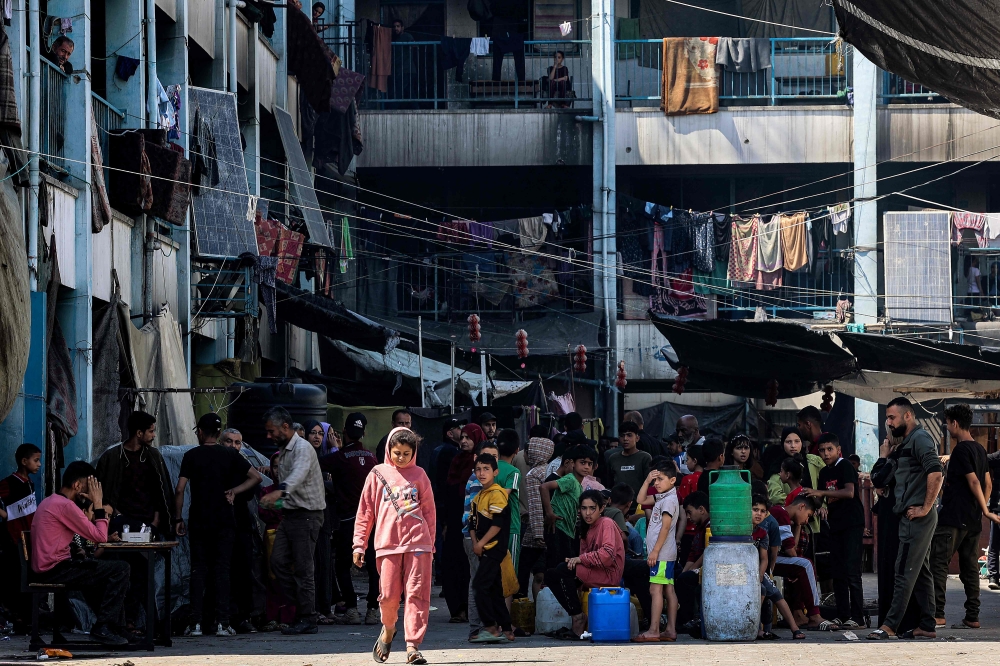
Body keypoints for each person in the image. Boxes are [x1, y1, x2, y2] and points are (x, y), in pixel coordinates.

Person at [354, 427, 435, 664]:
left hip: (419, 544)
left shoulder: (420, 475)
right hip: (387, 545)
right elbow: (365, 512)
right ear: (389, 450)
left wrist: (431, 546)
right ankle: (388, 628)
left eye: (406, 453)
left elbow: (429, 513)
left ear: (414, 453)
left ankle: (413, 646)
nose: (401, 458)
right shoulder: (377, 474)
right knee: (388, 596)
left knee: (417, 595)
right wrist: (359, 545)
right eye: (397, 452)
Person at [176, 413, 262, 637]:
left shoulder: (191, 455)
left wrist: (177, 518)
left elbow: (180, 489)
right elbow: (256, 477)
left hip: (199, 521)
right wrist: (234, 491)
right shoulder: (230, 455)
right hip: (225, 521)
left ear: (201, 432)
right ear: (218, 433)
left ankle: (195, 624)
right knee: (223, 570)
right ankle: (223, 623)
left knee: (198, 570)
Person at [867, 397, 943, 640]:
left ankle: (889, 626)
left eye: (892, 417)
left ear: (908, 416)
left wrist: (924, 508)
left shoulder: (919, 438)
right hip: (913, 515)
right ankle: (927, 625)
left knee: (903, 570)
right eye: (887, 418)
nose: (888, 422)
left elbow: (936, 471)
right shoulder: (908, 442)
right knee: (921, 572)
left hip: (916, 517)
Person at [31, 462, 130, 645]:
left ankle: (116, 627)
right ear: (77, 485)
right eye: (89, 486)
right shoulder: (65, 506)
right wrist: (98, 503)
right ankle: (104, 627)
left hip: (50, 566)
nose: (91, 492)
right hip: (55, 569)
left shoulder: (50, 501)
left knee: (101, 569)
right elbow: (100, 537)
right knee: (120, 569)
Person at [259, 406, 327, 635]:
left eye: (272, 431)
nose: (269, 436)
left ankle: (307, 617)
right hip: (291, 515)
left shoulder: (302, 448)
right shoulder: (284, 450)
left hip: (307, 516)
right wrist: (275, 502)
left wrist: (280, 492)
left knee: (303, 569)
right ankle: (300, 609)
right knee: (277, 562)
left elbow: (298, 475)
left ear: (285, 427)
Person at [931, 403, 999, 630]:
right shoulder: (979, 449)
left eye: (948, 423)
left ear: (955, 423)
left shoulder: (960, 450)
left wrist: (986, 510)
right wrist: (980, 509)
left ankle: (938, 615)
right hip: (972, 519)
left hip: (953, 518)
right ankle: (972, 616)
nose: (947, 427)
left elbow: (975, 482)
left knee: (938, 563)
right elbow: (988, 483)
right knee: (970, 569)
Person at [320, 412, 379, 625]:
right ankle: (373, 609)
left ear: (344, 432)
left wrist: (334, 447)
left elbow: (316, 465)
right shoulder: (372, 458)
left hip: (348, 521)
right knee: (374, 565)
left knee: (343, 564)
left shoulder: (339, 457)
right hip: (372, 520)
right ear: (363, 433)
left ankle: (352, 609)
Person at [802, 433, 866, 629]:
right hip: (835, 525)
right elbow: (821, 500)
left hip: (852, 524)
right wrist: (811, 500)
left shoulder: (845, 466)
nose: (825, 453)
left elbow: (849, 492)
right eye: (822, 450)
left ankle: (858, 617)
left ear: (838, 450)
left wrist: (821, 492)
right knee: (837, 571)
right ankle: (843, 614)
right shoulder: (823, 472)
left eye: (829, 449)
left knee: (852, 571)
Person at [546, 490, 625, 639]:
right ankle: (577, 615)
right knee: (551, 575)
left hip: (607, 574)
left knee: (564, 569)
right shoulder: (586, 528)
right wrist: (577, 560)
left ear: (601, 509)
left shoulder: (606, 523)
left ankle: (578, 618)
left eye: (592, 508)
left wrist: (580, 559)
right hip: (593, 571)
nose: (587, 513)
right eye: (584, 508)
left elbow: (607, 555)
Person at [870, 430, 923, 632]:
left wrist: (883, 456)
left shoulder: (896, 457)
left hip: (896, 519)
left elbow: (877, 478)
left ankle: (895, 622)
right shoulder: (903, 456)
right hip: (897, 516)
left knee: (895, 568)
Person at [95, 411, 174, 536]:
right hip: (120, 525)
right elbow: (100, 493)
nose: (154, 435)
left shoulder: (153, 456)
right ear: (139, 433)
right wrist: (117, 516)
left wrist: (155, 522)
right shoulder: (111, 457)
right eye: (151, 431)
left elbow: (162, 492)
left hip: (148, 524)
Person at [220, 428, 268, 633]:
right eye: (229, 442)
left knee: (243, 571)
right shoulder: (216, 462)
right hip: (220, 525)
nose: (233, 446)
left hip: (241, 524)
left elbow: (256, 483)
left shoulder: (243, 465)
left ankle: (243, 616)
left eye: (237, 443)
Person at [468, 453, 512, 643]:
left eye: (486, 469)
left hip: (494, 548)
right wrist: (475, 542)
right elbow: (471, 523)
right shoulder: (478, 497)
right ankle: (508, 629)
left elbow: (498, 524)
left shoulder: (497, 494)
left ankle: (490, 628)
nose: (481, 473)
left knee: (479, 586)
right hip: (484, 548)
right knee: (493, 589)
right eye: (478, 469)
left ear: (495, 472)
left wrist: (480, 543)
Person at [633, 460, 680, 642]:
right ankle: (670, 630)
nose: (656, 483)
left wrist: (655, 552)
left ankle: (654, 629)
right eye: (655, 480)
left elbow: (665, 528)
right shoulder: (663, 497)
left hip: (662, 554)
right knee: (668, 590)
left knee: (655, 590)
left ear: (672, 480)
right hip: (664, 554)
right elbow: (640, 500)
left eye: (660, 479)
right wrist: (646, 481)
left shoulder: (668, 501)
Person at [441, 424, 481, 622]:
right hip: (455, 522)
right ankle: (456, 609)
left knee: (468, 566)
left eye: (469, 438)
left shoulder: (480, 465)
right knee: (452, 564)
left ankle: (470, 608)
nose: (464, 441)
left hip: (474, 524)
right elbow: (447, 494)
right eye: (462, 437)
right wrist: (446, 523)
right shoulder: (456, 461)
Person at [751, 494, 805, 640]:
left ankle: (795, 629)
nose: (759, 514)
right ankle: (753, 628)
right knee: (761, 592)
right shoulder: (741, 531)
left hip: (757, 572)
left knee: (776, 595)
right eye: (755, 510)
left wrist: (761, 575)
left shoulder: (762, 533)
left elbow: (765, 558)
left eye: (762, 511)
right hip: (743, 572)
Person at [463, 440, 500, 642]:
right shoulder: (478, 482)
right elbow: (476, 518)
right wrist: (479, 542)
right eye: (484, 459)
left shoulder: (487, 483)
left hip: (482, 540)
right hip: (476, 539)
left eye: (493, 458)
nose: (487, 465)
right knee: (478, 583)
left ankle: (486, 627)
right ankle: (477, 629)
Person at [770, 495, 825, 630]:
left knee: (801, 564)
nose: (806, 521)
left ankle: (802, 612)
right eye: (808, 515)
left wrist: (798, 525)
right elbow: (791, 552)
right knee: (805, 565)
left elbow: (792, 550)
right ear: (801, 507)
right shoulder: (781, 514)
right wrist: (798, 526)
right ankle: (814, 614)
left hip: (771, 557)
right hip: (766, 559)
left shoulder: (785, 516)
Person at [0, 443, 41, 623]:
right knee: (14, 576)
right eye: (36, 460)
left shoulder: (30, 483)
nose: (39, 464)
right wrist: (6, 516)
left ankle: (26, 616)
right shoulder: (9, 482)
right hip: (13, 537)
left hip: (28, 537)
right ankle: (16, 615)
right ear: (24, 461)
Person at [540, 445, 594, 568]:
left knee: (564, 565)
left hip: (567, 530)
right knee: (559, 567)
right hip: (558, 528)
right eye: (582, 462)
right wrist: (549, 513)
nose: (586, 466)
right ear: (573, 463)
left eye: (589, 464)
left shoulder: (578, 485)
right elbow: (544, 487)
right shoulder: (570, 479)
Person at [519, 425, 554, 594]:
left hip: (537, 530)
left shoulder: (533, 474)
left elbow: (535, 505)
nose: (525, 455)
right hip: (552, 524)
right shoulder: (551, 469)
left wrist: (538, 534)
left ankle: (521, 600)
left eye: (528, 451)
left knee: (524, 566)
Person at [763, 427, 823, 511]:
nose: (793, 446)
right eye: (788, 442)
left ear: (802, 442)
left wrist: (822, 505)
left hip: (816, 515)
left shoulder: (814, 461)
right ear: (782, 443)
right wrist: (800, 504)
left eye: (797, 441)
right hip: (790, 515)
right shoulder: (777, 466)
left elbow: (825, 484)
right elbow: (775, 496)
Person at [675, 490, 710, 630]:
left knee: (685, 580)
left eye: (690, 512)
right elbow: (692, 553)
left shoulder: (710, 527)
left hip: (706, 569)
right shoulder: (699, 528)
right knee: (677, 575)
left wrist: (692, 569)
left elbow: (706, 553)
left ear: (701, 509)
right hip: (696, 567)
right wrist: (684, 571)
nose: (688, 517)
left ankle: (687, 620)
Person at [496, 429, 523, 582]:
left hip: (489, 526)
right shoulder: (514, 472)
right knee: (509, 575)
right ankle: (505, 606)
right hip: (511, 526)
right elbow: (504, 496)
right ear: (517, 450)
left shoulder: (489, 469)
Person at [607, 421, 653, 503]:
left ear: (637, 438)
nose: (625, 439)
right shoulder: (613, 458)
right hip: (618, 506)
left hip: (639, 507)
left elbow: (650, 485)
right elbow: (609, 484)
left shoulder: (645, 458)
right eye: (622, 435)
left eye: (629, 435)